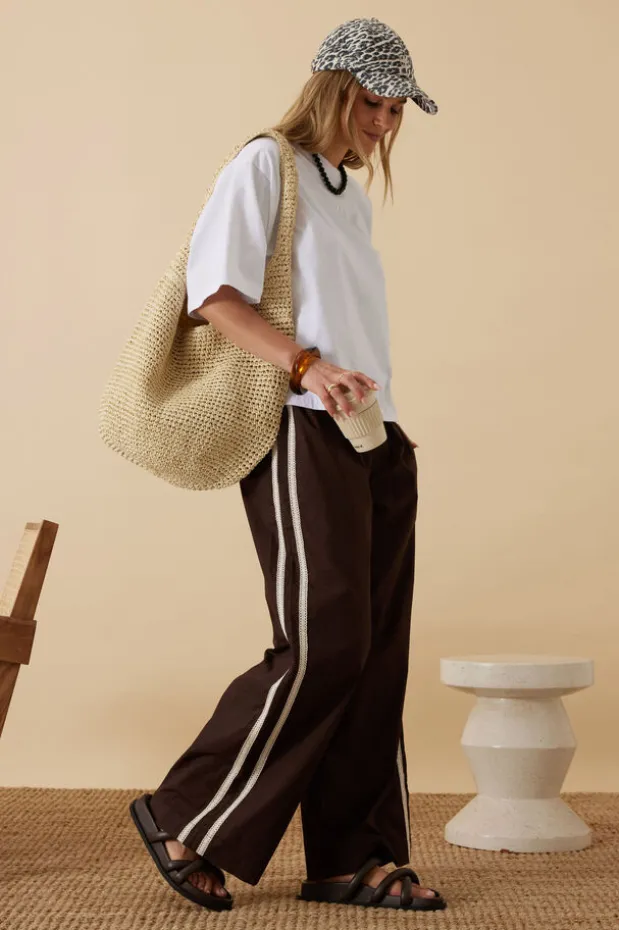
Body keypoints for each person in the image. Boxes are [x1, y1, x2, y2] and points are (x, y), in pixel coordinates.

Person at [129, 16, 447, 914]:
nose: (383, 124)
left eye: (397, 111)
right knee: (326, 642)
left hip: (372, 436)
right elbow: (214, 297)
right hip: (299, 427)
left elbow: (346, 319)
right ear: (331, 90)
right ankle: (186, 815)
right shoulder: (266, 165)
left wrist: (387, 427)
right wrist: (305, 367)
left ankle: (354, 857)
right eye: (371, 104)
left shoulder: (347, 193)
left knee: (375, 657)